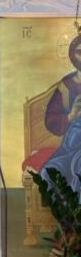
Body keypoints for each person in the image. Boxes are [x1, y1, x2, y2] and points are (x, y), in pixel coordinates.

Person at [41, 34, 81, 190]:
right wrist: (71, 116)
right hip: (69, 148)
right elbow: (51, 119)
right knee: (48, 172)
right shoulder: (66, 86)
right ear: (72, 56)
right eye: (79, 52)